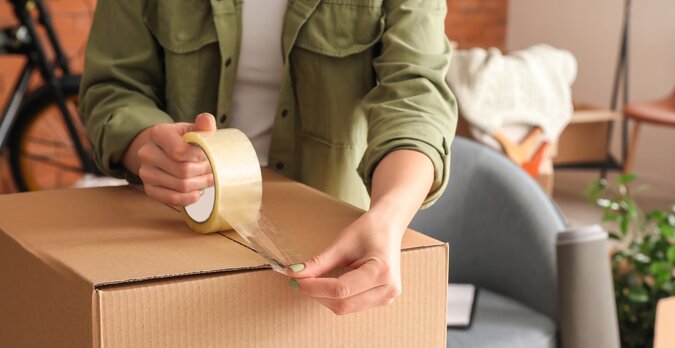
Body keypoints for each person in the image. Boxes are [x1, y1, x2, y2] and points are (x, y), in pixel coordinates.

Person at [78, 0, 457, 315]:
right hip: (180, 225)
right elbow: (114, 86)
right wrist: (148, 146)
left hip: (332, 240)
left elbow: (416, 94)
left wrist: (388, 217)